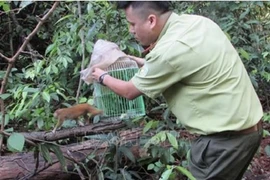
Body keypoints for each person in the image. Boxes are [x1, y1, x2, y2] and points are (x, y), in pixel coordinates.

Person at [92, 1, 263, 180]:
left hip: (225, 141)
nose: (130, 30)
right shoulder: (197, 23)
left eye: (132, 24)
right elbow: (180, 64)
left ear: (151, 20)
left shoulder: (168, 52)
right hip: (248, 128)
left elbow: (129, 91)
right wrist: (135, 60)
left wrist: (102, 76)